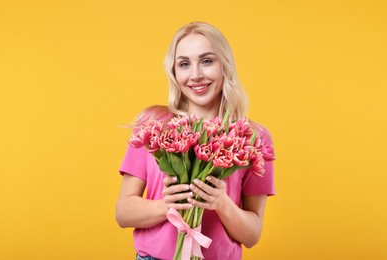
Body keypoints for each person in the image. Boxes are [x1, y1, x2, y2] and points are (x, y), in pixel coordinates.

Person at [116, 22, 275, 260]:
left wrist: (222, 203)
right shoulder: (154, 125)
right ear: (174, 72)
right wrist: (167, 205)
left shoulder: (252, 137)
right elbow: (123, 213)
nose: (196, 74)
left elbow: (252, 235)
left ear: (225, 65)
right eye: (184, 64)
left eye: (207, 61)